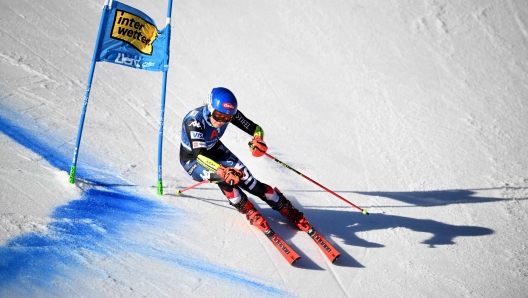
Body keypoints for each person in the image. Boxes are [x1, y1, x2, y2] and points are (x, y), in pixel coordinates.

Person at [179, 87, 310, 233]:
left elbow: (255, 128)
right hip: (193, 162)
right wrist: (223, 170)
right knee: (225, 179)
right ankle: (247, 209)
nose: (222, 121)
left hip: (215, 150)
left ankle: (285, 207)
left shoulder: (229, 113)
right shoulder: (193, 121)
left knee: (251, 183)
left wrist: (258, 140)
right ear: (210, 107)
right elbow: (200, 155)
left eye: (227, 118)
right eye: (218, 115)